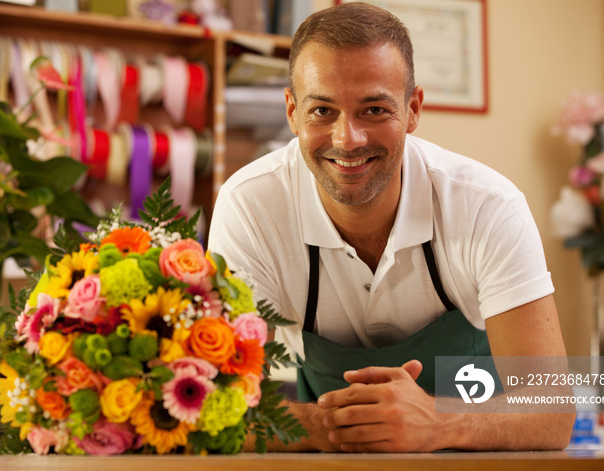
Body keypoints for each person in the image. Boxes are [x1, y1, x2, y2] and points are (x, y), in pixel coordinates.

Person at [208, 2, 574, 452]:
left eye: (375, 110)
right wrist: (331, 426)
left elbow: (553, 408)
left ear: (414, 109)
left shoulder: (486, 206)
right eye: (322, 111)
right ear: (291, 112)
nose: (348, 139)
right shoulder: (250, 206)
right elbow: (215, 403)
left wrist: (439, 421)